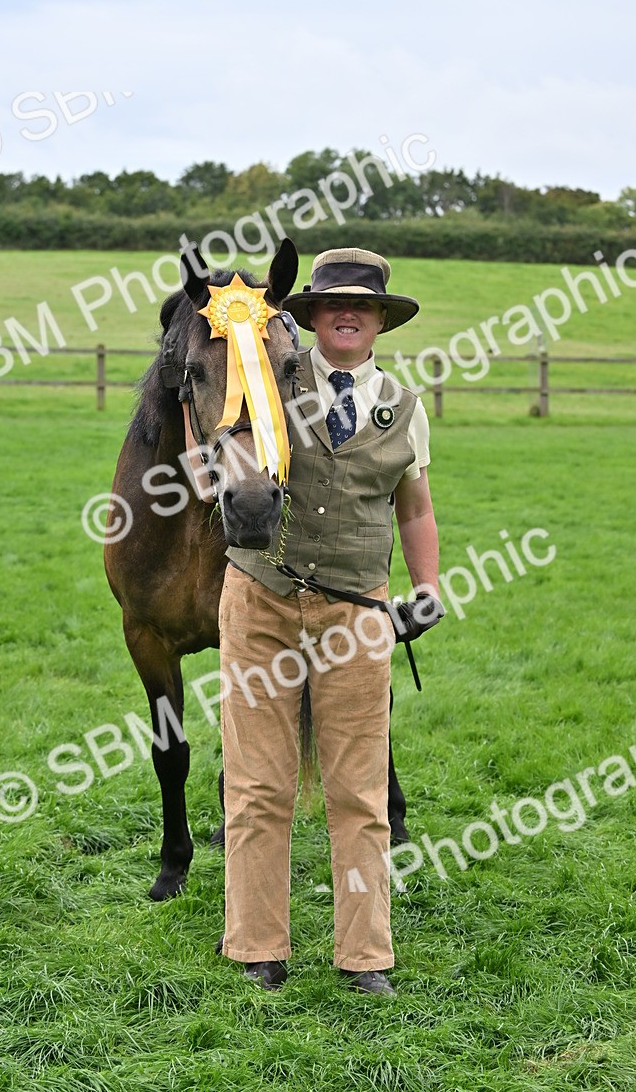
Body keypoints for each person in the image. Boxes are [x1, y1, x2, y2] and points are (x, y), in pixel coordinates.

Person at [218, 247, 443, 994]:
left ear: (381, 320)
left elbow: (414, 506)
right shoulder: (267, 380)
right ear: (310, 316)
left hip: (357, 613)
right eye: (332, 304)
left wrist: (429, 586)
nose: (348, 314)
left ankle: (365, 958)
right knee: (257, 785)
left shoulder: (405, 408)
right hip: (263, 603)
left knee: (359, 790)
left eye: (364, 305)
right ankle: (258, 948)